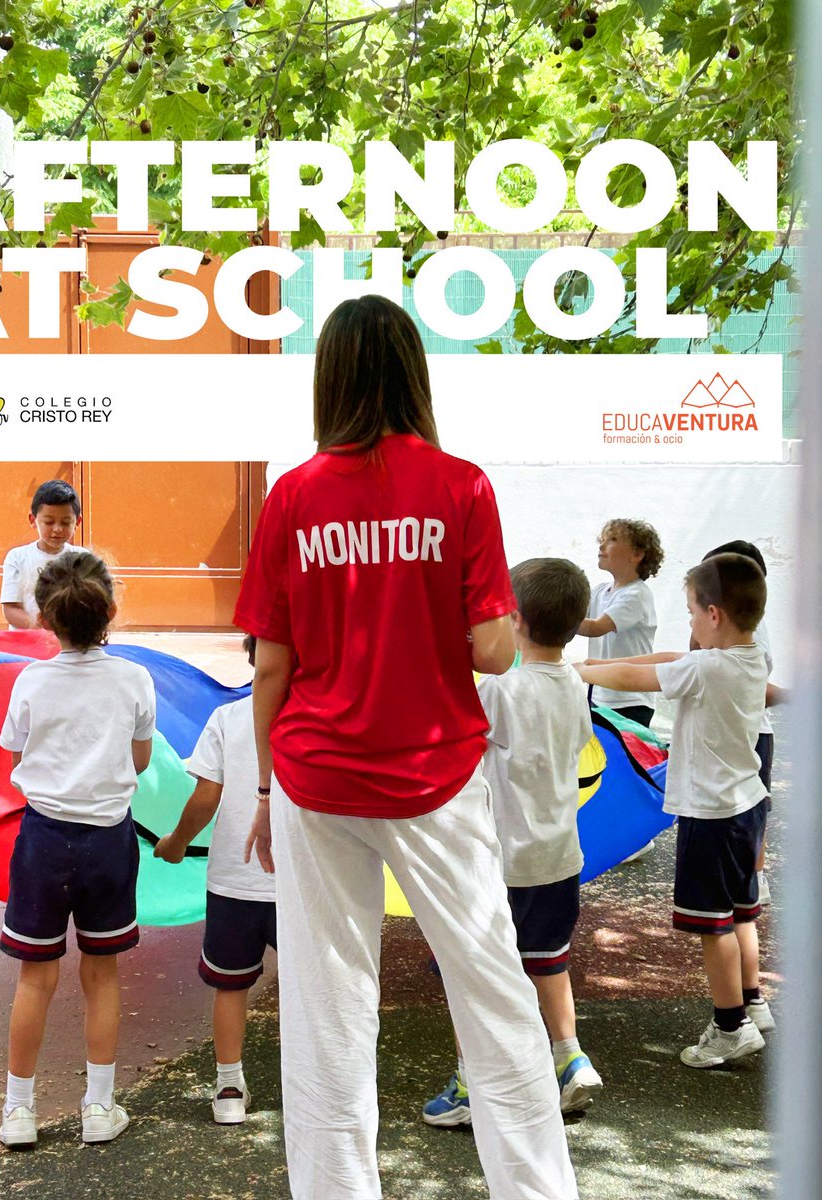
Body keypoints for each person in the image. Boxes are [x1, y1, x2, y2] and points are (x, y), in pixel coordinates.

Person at [234, 295, 577, 1200]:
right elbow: (496, 650)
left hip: (314, 775)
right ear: (413, 373)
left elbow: (271, 666)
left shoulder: (292, 496)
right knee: (493, 991)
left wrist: (264, 790)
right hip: (436, 774)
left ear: (330, 377)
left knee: (327, 1006)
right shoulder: (461, 486)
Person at [424, 558, 602, 1128]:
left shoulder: (501, 691)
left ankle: (471, 1084)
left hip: (500, 861)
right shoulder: (574, 684)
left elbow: (458, 745)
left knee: (471, 973)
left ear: (515, 620)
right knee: (549, 963)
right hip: (559, 858)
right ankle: (570, 1058)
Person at [578, 553, 771, 1067]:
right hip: (746, 805)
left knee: (714, 926)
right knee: (740, 913)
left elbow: (639, 676)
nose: (688, 622)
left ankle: (730, 1026)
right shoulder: (752, 657)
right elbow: (668, 659)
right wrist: (591, 667)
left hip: (711, 816)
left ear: (714, 615)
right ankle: (752, 1002)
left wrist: (580, 673)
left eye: (691, 612)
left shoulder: (705, 668)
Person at [0, 551, 156, 1146]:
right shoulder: (134, 679)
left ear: (43, 618)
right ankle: (98, 1108)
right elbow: (140, 759)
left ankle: (18, 1111)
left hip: (42, 839)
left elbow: (19, 756)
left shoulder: (30, 681)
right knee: (102, 975)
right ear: (110, 611)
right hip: (109, 840)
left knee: (35, 978)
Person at [154, 634, 276, 1126]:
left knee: (230, 986)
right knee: (309, 986)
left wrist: (177, 842)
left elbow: (206, 796)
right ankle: (315, 1083)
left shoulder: (228, 719)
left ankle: (229, 1086)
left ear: (251, 658)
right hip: (303, 885)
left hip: (233, 882)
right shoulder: (318, 720)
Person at [700, 540, 786, 912]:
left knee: (751, 808)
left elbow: (756, 689)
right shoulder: (712, 622)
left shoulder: (750, 631)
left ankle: (755, 876)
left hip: (750, 733)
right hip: (726, 731)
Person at [577, 518, 664, 730]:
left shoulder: (637, 594)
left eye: (612, 540)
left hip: (630, 700)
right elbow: (575, 616)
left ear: (637, 554)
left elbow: (595, 627)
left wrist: (551, 619)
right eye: (602, 540)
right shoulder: (600, 590)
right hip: (600, 693)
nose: (602, 546)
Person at [0, 479, 86, 629]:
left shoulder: (83, 559)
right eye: (49, 522)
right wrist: (40, 627)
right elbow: (10, 609)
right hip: (27, 638)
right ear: (33, 520)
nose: (57, 529)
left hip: (68, 639)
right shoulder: (17, 558)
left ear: (77, 522)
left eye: (65, 522)